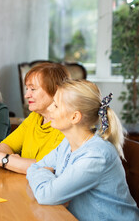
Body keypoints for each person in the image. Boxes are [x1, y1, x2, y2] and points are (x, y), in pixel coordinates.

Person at [26, 79, 139, 220]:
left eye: (55, 106)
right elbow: (33, 167)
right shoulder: (66, 144)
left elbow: (45, 195)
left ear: (75, 117)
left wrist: (44, 174)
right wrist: (46, 176)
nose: (49, 109)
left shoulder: (97, 156)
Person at [0, 62, 69, 174]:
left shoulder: (66, 126)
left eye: (33, 89)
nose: (27, 95)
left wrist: (7, 160)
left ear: (55, 91)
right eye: (27, 89)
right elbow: (5, 145)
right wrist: (14, 161)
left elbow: (45, 167)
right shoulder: (35, 117)